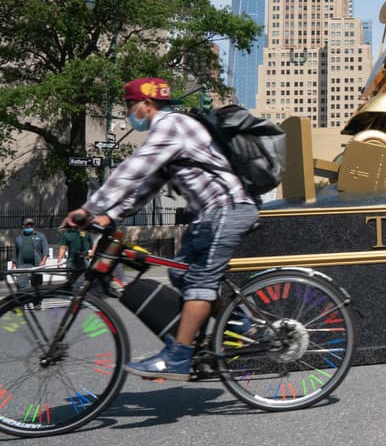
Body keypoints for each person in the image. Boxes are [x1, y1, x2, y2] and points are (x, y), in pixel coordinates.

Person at [62, 78, 258, 381]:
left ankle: (178, 357)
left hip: (227, 209)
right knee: (180, 273)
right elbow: (146, 187)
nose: (129, 113)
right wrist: (111, 215)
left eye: (130, 106)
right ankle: (240, 324)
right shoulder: (170, 135)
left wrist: (89, 208)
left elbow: (132, 171)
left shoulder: (171, 125)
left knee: (199, 283)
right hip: (211, 214)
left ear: (146, 104)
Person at [11, 217, 50, 288]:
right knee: (22, 286)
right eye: (27, 225)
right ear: (23, 226)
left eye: (31, 225)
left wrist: (43, 261)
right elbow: (15, 252)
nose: (29, 226)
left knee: (37, 287)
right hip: (22, 265)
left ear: (33, 226)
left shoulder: (40, 236)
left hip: (37, 265)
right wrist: (13, 265)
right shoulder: (18, 238)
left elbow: (46, 249)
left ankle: (36, 295)